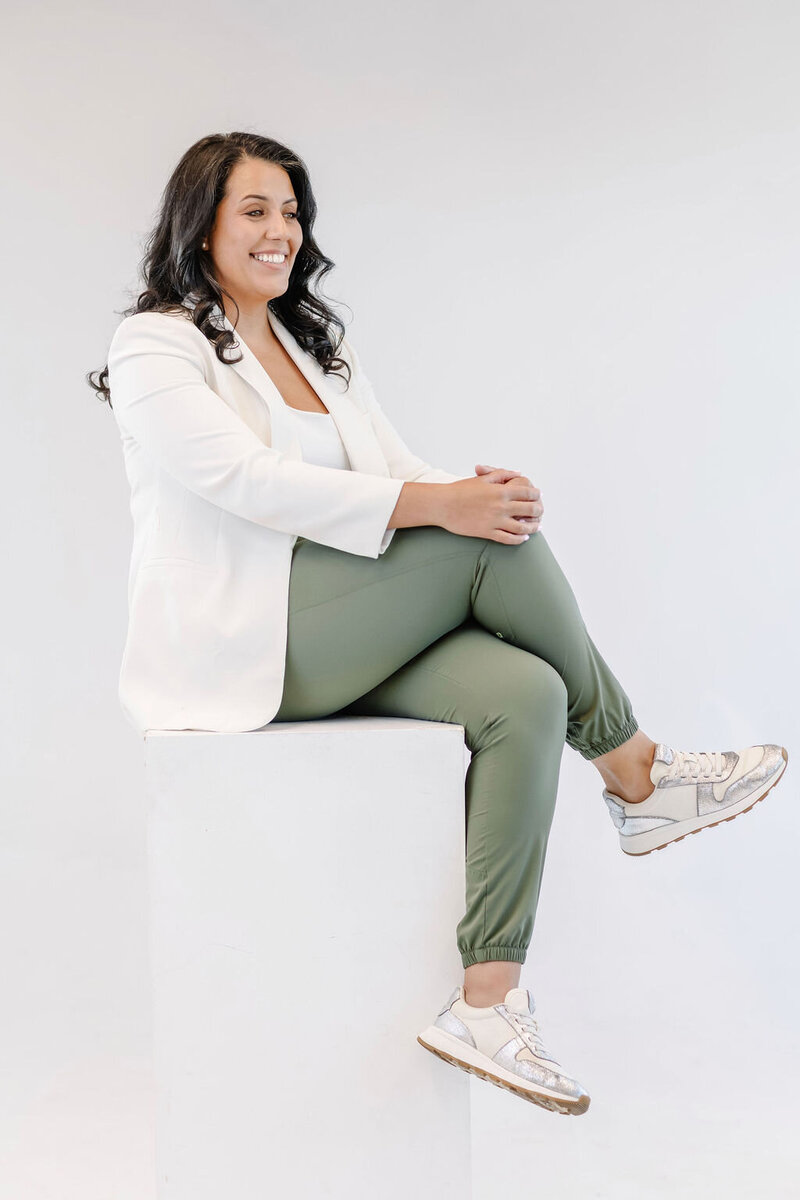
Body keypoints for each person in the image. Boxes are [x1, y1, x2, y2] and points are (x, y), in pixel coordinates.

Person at [88, 131, 788, 1117]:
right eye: (255, 210)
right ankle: (634, 770)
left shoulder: (307, 344)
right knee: (480, 547)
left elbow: (391, 464)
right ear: (199, 223)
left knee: (525, 691)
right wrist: (447, 516)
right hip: (245, 645)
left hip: (340, 625)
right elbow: (239, 481)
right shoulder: (156, 341)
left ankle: (487, 1002)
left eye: (290, 211)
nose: (280, 230)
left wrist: (466, 487)